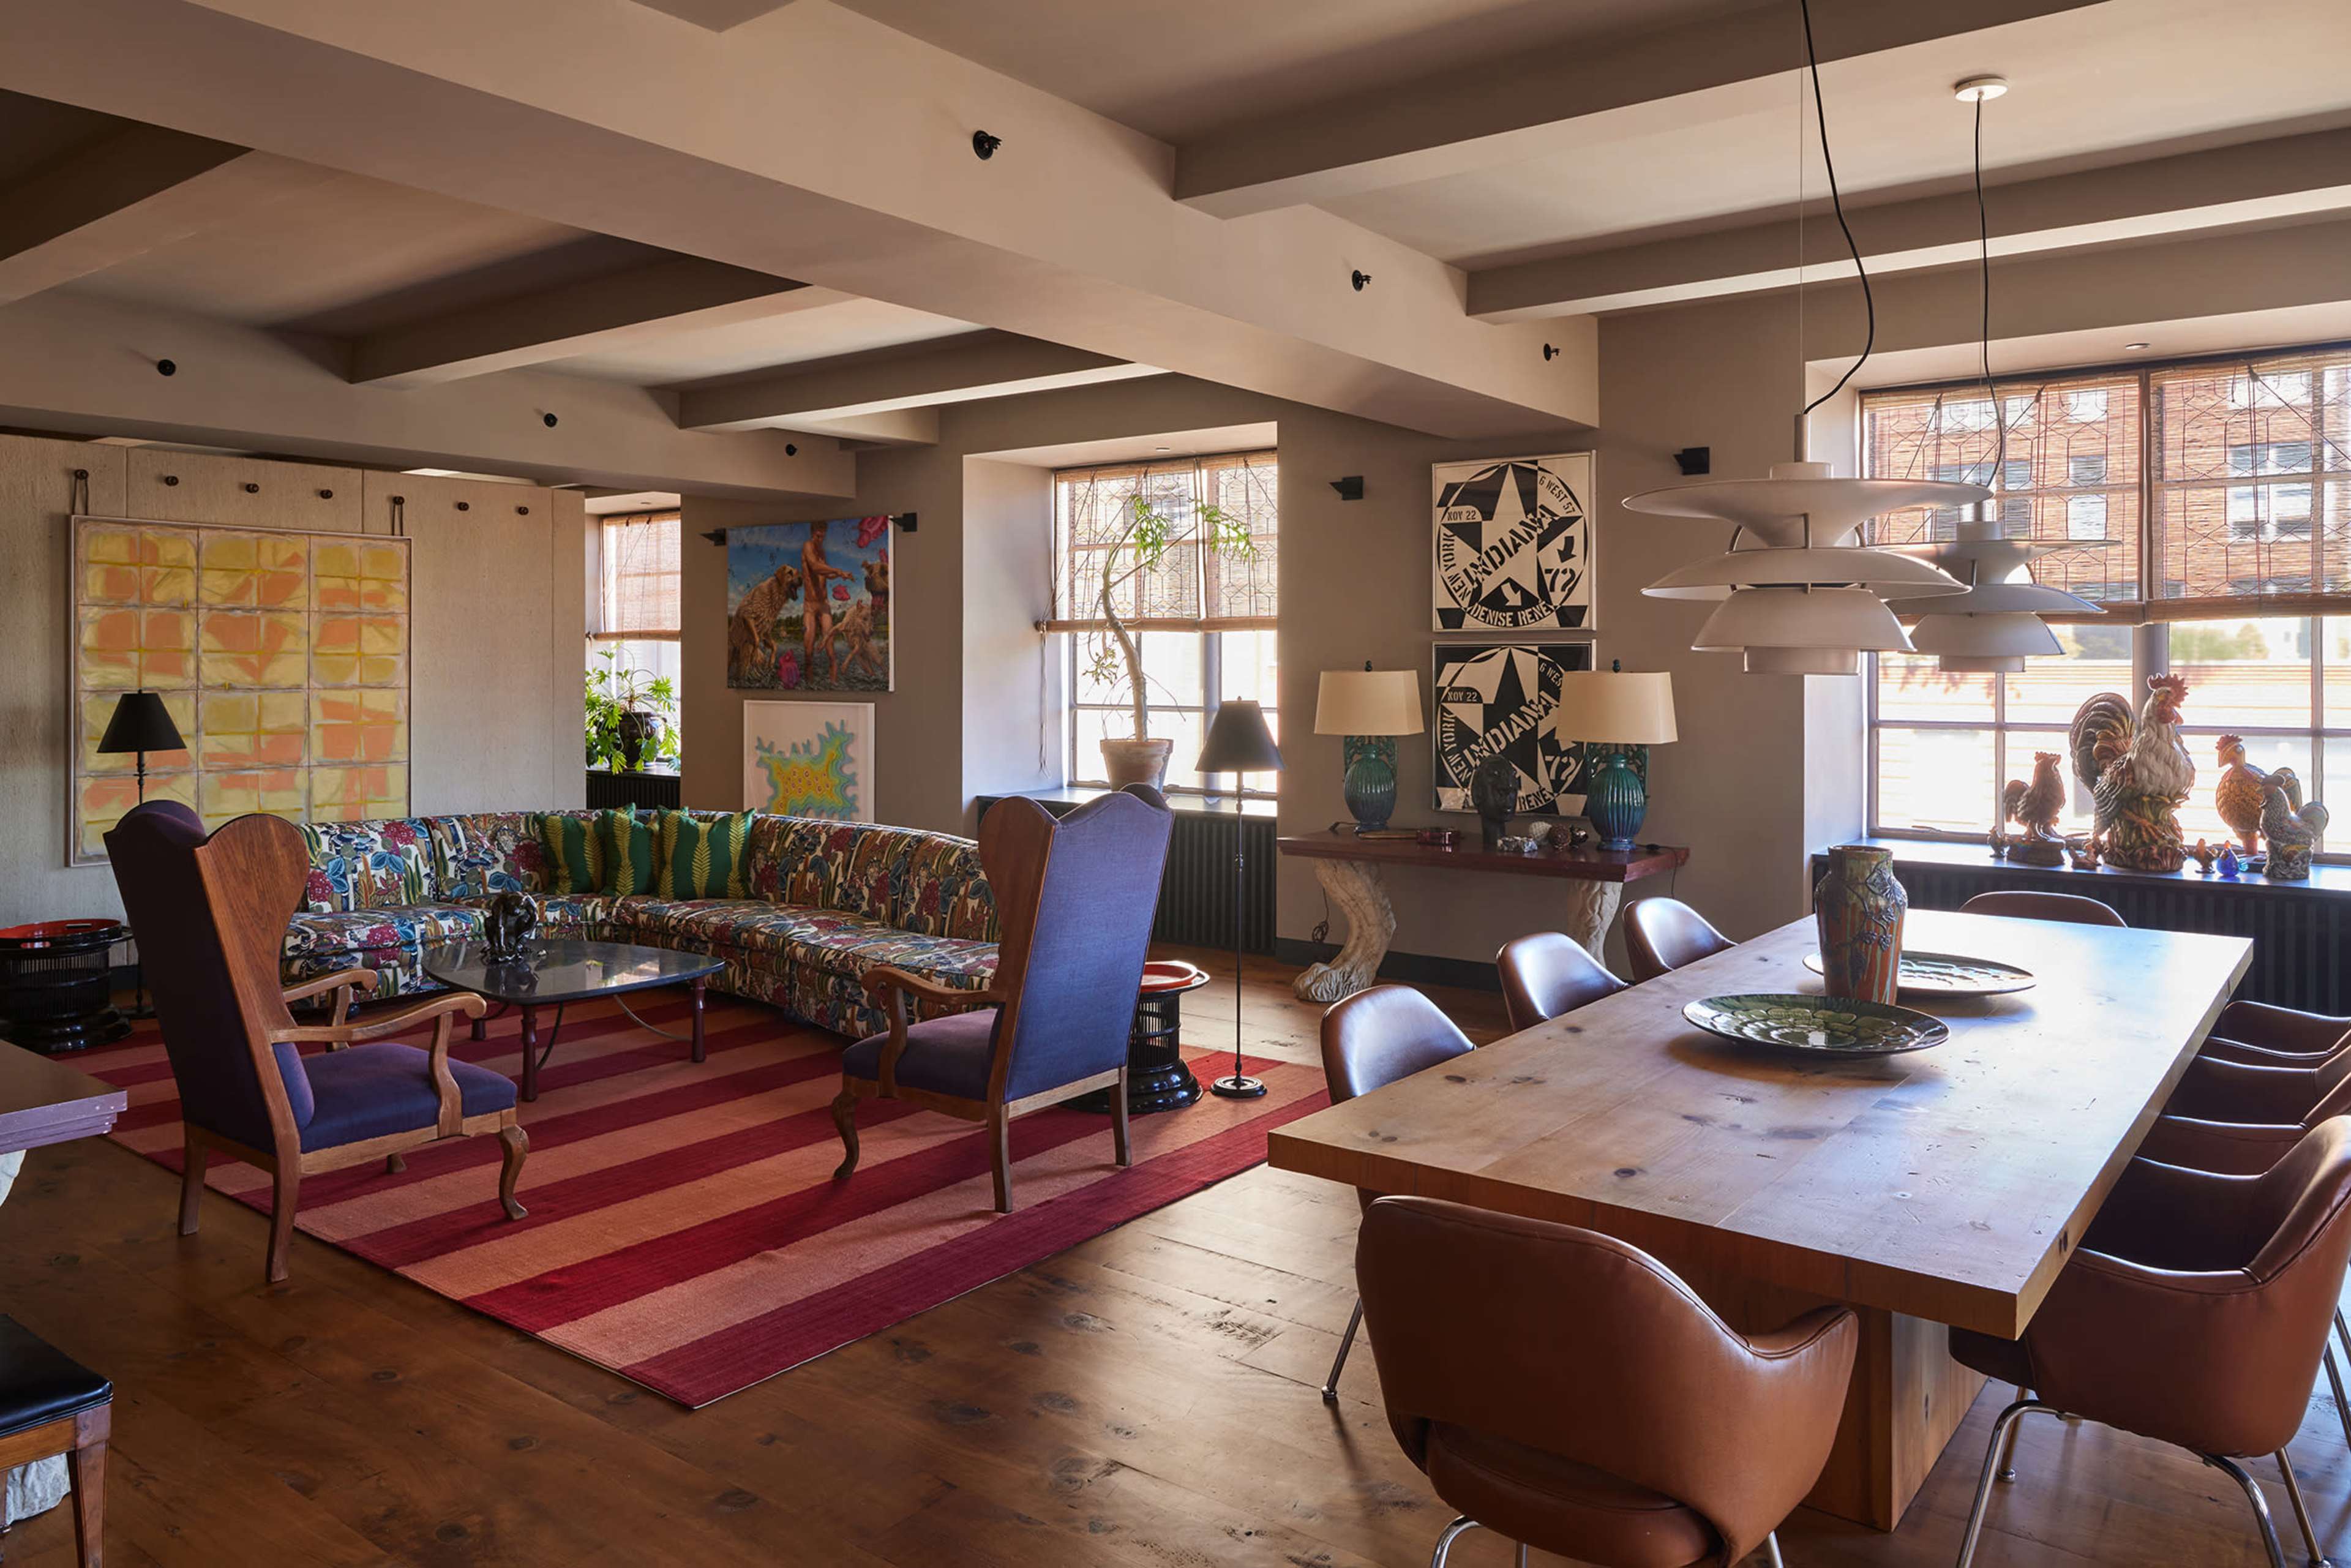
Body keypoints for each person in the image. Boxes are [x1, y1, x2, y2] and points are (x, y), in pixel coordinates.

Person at [800, 520, 853, 684]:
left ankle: (833, 684)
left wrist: (840, 575)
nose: (820, 540)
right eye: (818, 536)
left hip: (824, 604)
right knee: (808, 650)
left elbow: (825, 574)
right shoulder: (808, 547)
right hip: (810, 605)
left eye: (823, 537)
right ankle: (809, 686)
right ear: (812, 534)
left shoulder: (822, 552)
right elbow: (815, 568)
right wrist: (837, 570)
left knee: (830, 648)